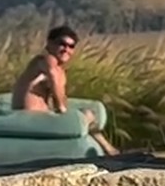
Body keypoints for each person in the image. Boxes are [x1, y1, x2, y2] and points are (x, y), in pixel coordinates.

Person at [11, 25, 119, 154]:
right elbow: (52, 74)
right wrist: (61, 108)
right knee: (87, 114)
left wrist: (62, 109)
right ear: (49, 44)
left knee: (87, 116)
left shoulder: (58, 70)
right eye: (61, 44)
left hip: (42, 117)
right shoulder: (46, 60)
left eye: (71, 46)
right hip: (30, 119)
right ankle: (110, 151)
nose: (66, 49)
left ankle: (110, 151)